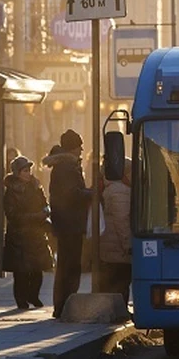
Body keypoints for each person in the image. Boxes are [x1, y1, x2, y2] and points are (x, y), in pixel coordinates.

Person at [44, 130, 92, 319]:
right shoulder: (66, 168)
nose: (81, 149)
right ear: (72, 148)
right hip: (70, 223)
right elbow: (72, 194)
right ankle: (65, 305)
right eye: (78, 146)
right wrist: (91, 193)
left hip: (66, 223)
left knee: (67, 265)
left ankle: (63, 304)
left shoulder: (64, 166)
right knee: (70, 266)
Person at [3, 155, 53, 309]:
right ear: (17, 173)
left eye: (29, 170)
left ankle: (33, 295)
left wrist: (46, 212)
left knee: (38, 270)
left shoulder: (36, 186)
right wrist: (35, 216)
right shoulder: (11, 192)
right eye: (25, 170)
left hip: (37, 234)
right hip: (19, 236)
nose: (28, 173)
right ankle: (21, 299)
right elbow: (12, 215)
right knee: (21, 272)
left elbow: (45, 204)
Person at [98, 157, 133, 308]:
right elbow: (122, 222)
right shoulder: (120, 191)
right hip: (118, 248)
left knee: (113, 282)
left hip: (111, 246)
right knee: (121, 282)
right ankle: (118, 311)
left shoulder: (112, 187)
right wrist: (128, 245)